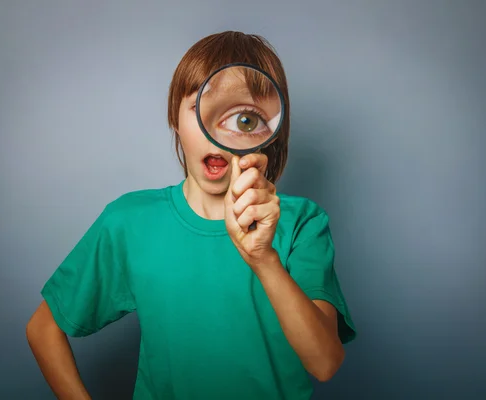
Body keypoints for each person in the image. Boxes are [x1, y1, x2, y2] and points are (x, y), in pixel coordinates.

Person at [26, 31, 357, 400]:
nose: (217, 136)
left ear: (270, 135)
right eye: (201, 110)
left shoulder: (302, 223)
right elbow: (43, 329)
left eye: (245, 120)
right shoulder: (130, 221)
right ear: (174, 119)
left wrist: (263, 260)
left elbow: (325, 362)